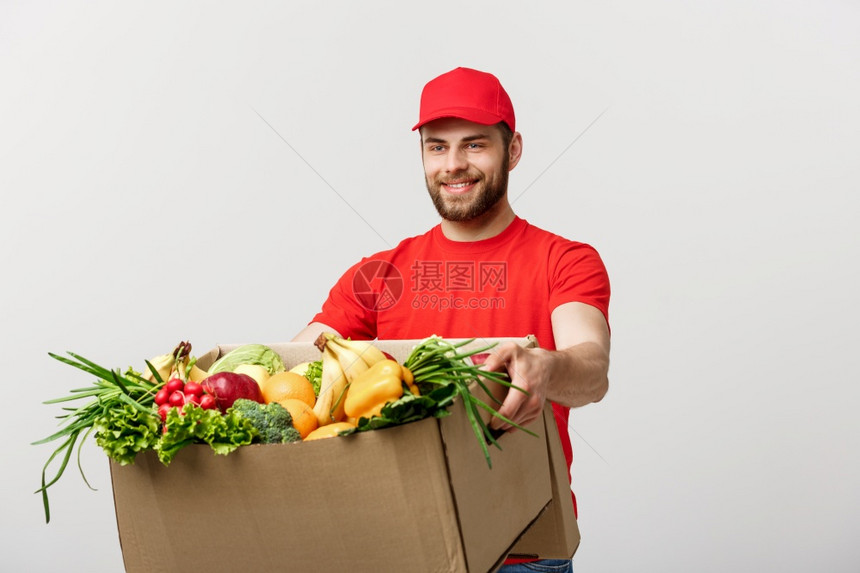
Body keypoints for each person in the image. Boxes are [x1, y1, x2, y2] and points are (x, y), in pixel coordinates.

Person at [293, 66, 611, 572]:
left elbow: (591, 369)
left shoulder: (564, 261)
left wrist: (544, 367)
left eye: (474, 144)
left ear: (514, 149)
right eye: (437, 146)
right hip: (402, 547)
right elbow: (293, 371)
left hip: (523, 551)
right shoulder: (379, 273)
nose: (454, 164)